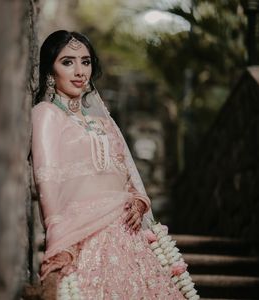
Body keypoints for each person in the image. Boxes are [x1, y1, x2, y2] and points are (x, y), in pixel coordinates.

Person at [31, 30, 186, 299]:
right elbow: (48, 180)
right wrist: (59, 243)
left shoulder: (104, 124)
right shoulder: (47, 115)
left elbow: (125, 177)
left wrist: (139, 202)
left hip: (129, 236)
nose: (80, 71)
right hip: (84, 239)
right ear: (50, 70)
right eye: (67, 62)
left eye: (86, 61)